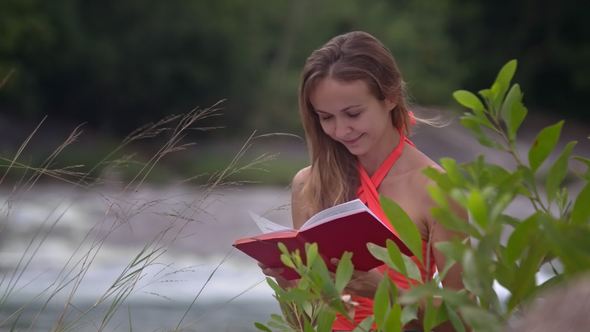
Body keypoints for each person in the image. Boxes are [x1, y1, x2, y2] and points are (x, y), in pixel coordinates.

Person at [261, 31, 466, 331]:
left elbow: (463, 322)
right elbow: (308, 325)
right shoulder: (309, 185)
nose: (342, 130)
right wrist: (286, 283)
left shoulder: (436, 189)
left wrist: (386, 292)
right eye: (326, 117)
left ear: (391, 96)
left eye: (353, 114)